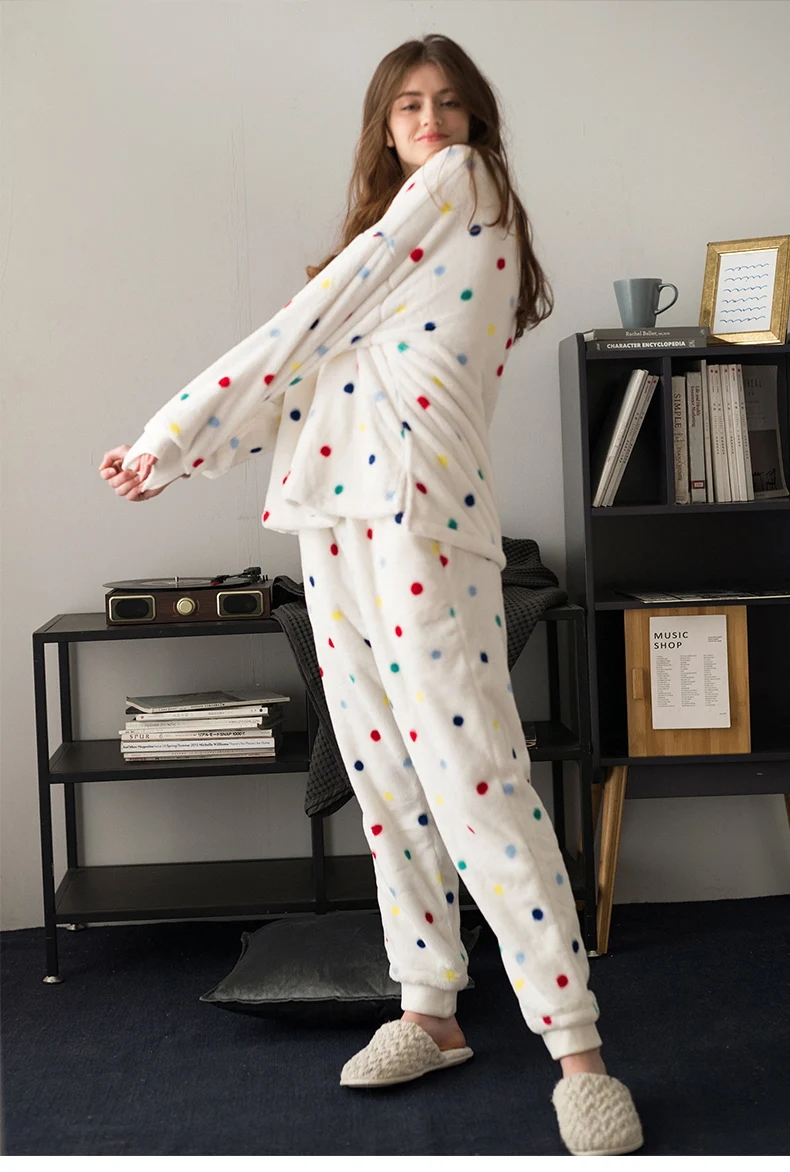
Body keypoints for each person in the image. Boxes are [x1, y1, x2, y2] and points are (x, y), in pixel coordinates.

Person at [100, 34, 643, 1157]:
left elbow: (302, 322)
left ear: (475, 119)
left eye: (447, 102)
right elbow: (309, 366)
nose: (429, 120)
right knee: (385, 781)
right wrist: (179, 463)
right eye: (407, 107)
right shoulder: (390, 238)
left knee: (474, 779)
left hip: (420, 517)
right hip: (332, 518)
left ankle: (578, 1053)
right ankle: (429, 1010)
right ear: (383, 128)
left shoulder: (461, 188)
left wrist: (172, 429)